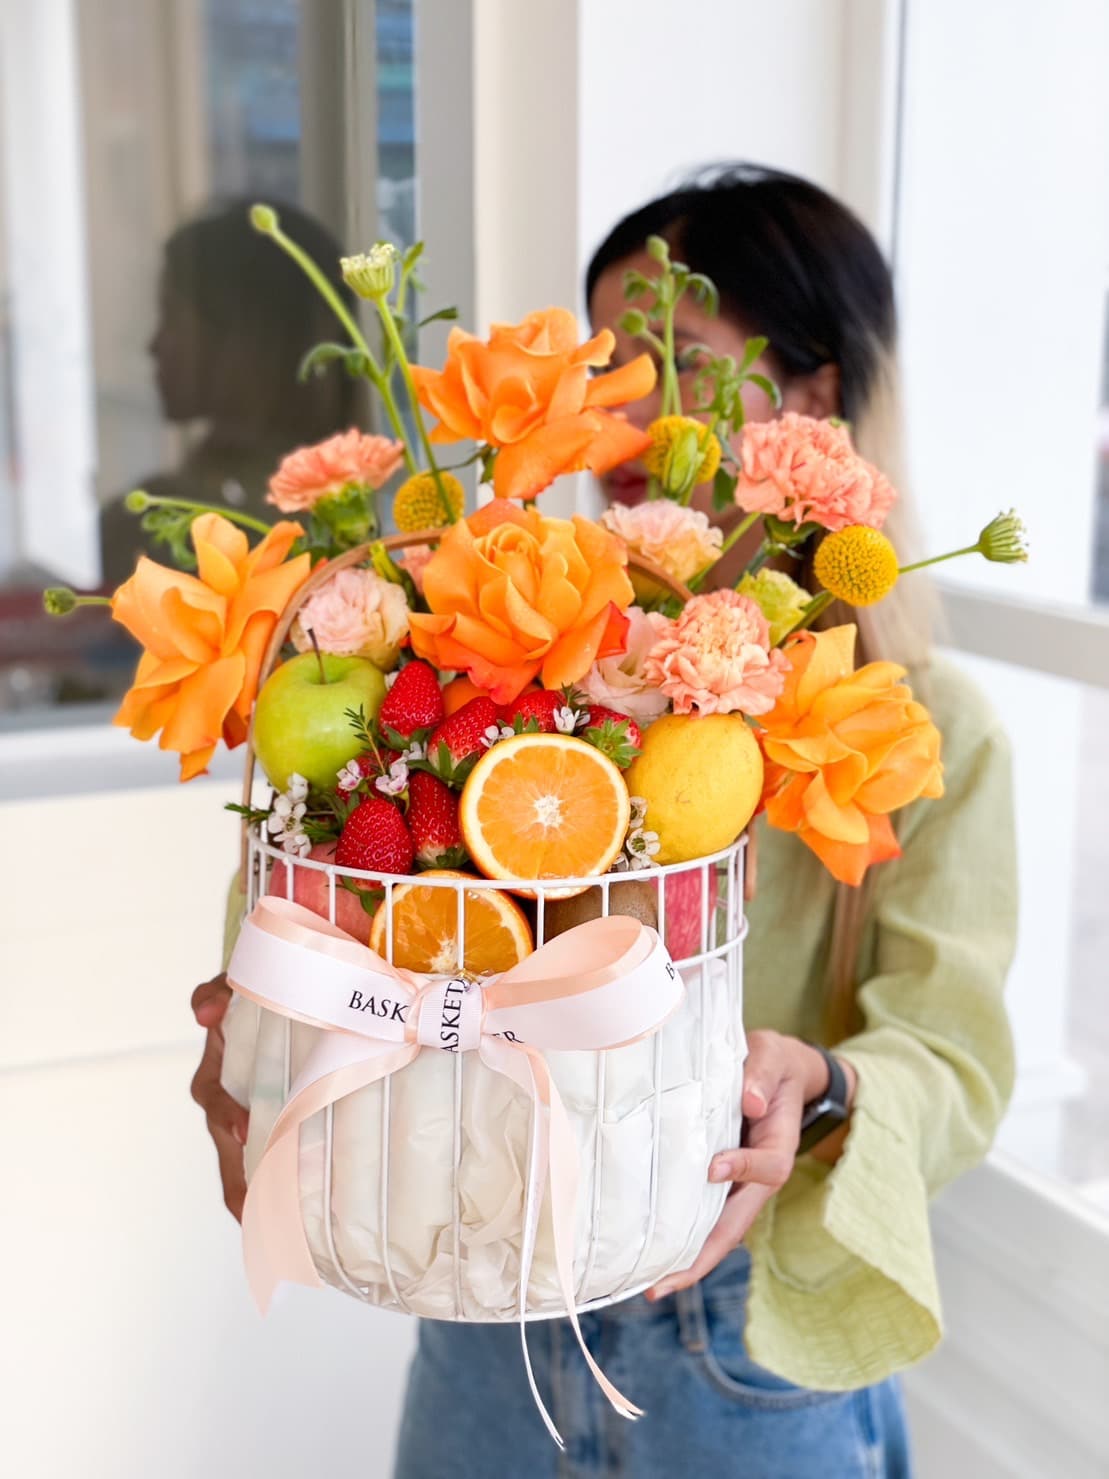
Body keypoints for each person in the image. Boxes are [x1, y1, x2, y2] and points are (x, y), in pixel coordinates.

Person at [191, 164, 1017, 1478]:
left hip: (756, 1336)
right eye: (607, 366)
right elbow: (364, 914)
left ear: (812, 392)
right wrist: (276, 1020)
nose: (628, 408)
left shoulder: (926, 727)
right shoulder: (514, 669)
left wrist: (818, 1087)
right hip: (489, 1288)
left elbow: (953, 1048)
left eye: (674, 358)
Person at [99, 199, 360, 588]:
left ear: (243, 340)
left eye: (171, 316)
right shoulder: (340, 507)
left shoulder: (214, 530)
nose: (154, 345)